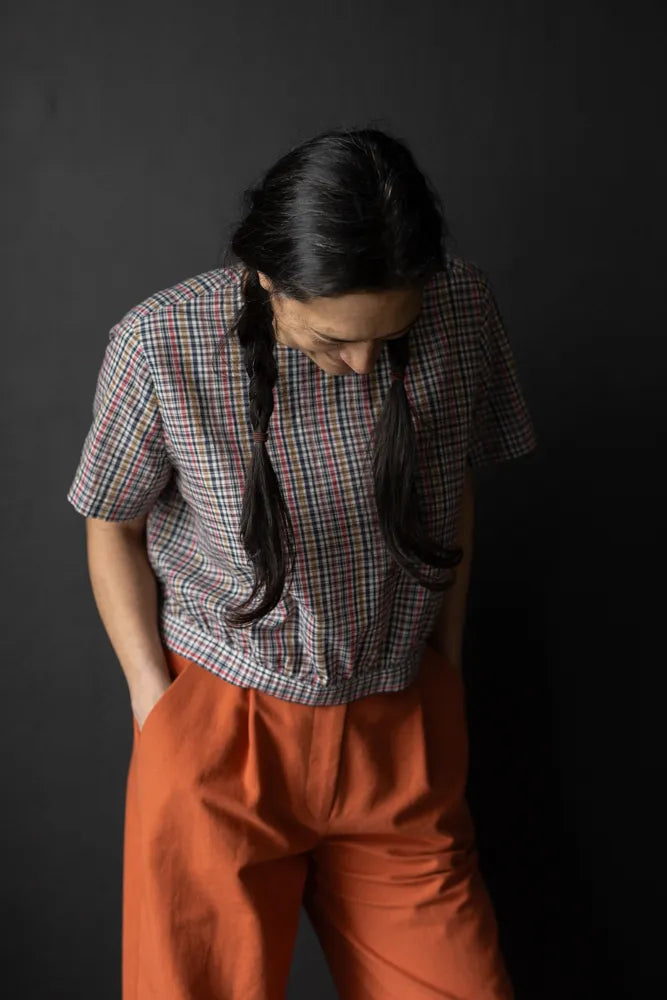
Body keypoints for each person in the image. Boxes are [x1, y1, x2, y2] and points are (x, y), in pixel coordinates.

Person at [66, 125, 538, 1000]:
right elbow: (111, 524)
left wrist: (445, 669)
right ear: (265, 280)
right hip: (222, 731)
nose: (362, 365)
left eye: (387, 338)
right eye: (332, 340)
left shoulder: (463, 306)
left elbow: (451, 489)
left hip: (398, 720)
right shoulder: (160, 341)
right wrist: (156, 709)